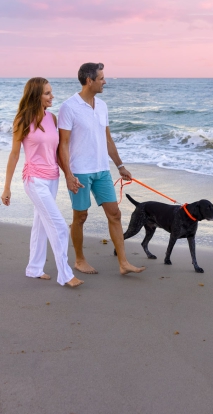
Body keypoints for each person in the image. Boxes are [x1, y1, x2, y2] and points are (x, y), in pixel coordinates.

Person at [58, 63, 145, 276]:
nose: (105, 81)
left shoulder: (103, 106)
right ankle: (79, 260)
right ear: (90, 81)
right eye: (101, 78)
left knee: (115, 213)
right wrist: (68, 174)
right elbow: (63, 144)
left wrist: (120, 165)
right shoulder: (69, 107)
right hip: (79, 172)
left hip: (102, 170)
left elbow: (107, 139)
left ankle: (123, 262)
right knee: (80, 216)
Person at [1, 77, 83, 288]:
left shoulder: (52, 118)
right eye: (47, 93)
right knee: (60, 227)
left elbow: (56, 153)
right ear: (36, 95)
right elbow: (13, 155)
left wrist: (69, 175)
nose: (51, 96)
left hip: (52, 178)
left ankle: (34, 268)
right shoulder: (22, 120)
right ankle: (65, 275)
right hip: (34, 180)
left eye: (51, 92)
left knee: (40, 224)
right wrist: (7, 187)